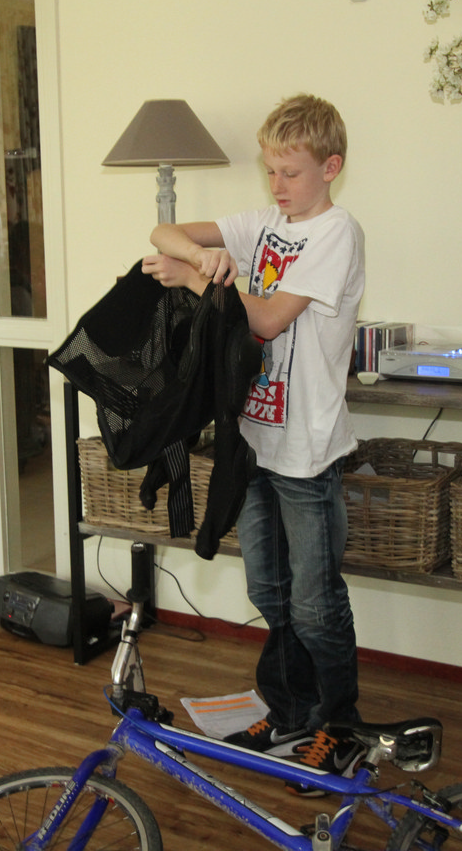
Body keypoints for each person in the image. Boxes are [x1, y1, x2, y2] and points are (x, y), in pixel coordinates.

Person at [144, 94, 365, 797]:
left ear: (330, 167)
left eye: (291, 173)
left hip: (307, 452)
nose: (277, 185)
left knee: (315, 605)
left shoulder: (336, 232)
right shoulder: (264, 224)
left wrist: (203, 280)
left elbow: (266, 320)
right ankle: (291, 710)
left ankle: (342, 724)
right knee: (270, 590)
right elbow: (163, 229)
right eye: (270, 170)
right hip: (255, 444)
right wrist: (198, 258)